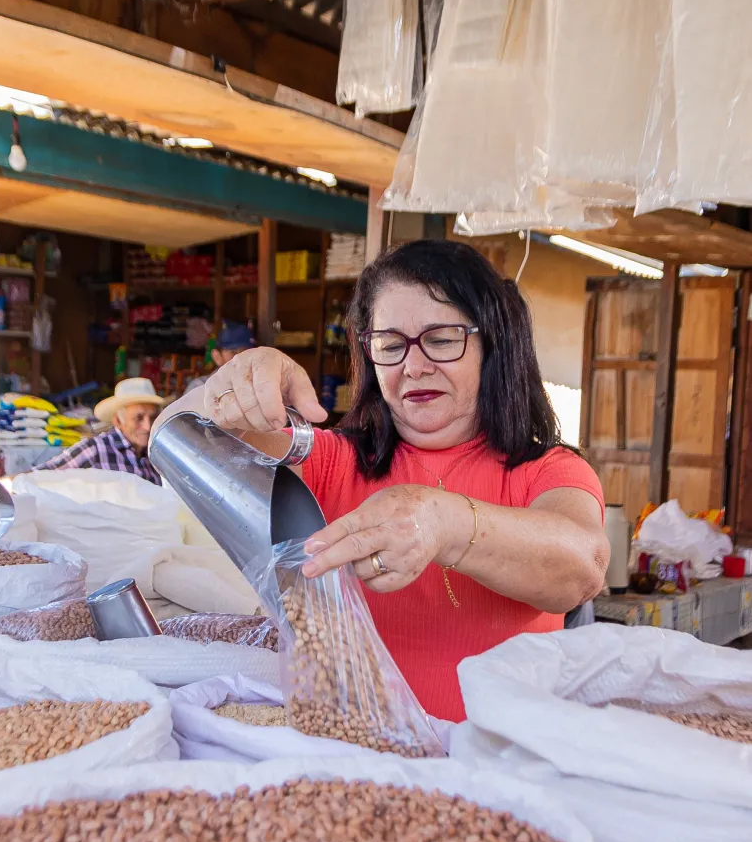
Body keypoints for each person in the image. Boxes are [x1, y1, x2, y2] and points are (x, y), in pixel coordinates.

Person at [156, 240, 608, 720]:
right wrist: (223, 390)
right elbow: (173, 443)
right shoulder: (333, 459)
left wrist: (444, 522)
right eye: (391, 346)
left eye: (441, 339)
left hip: (498, 767)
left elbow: (582, 568)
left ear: (491, 344)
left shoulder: (547, 470)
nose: (414, 366)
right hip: (359, 766)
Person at [36, 377, 165, 485]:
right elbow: (40, 476)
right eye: (138, 418)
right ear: (118, 421)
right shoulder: (96, 449)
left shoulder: (157, 456)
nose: (148, 427)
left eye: (153, 418)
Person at [183, 322, 254, 395]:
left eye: (247, 352)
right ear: (217, 356)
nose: (241, 358)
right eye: (233, 352)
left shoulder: (257, 386)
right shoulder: (200, 388)